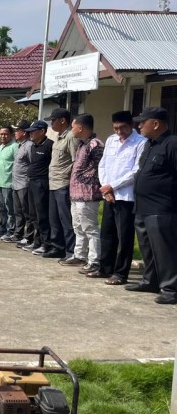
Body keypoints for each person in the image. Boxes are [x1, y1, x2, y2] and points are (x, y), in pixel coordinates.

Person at [126, 107, 177, 304]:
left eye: (142, 122)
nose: (139, 126)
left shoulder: (171, 144)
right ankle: (151, 280)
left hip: (162, 208)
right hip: (142, 206)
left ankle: (171, 288)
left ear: (155, 124)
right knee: (148, 248)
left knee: (165, 250)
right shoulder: (149, 144)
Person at [91, 111, 147, 285]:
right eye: (115, 128)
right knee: (107, 233)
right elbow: (103, 164)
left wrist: (113, 186)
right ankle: (105, 268)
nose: (119, 132)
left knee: (124, 236)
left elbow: (136, 171)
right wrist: (106, 187)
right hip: (109, 195)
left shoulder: (140, 143)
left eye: (122, 128)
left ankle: (121, 273)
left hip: (126, 196)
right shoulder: (110, 140)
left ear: (131, 125)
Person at [63, 114, 104, 273]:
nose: (72, 129)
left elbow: (102, 168)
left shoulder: (95, 144)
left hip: (88, 194)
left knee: (90, 228)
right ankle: (79, 254)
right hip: (76, 193)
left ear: (80, 127)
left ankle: (94, 260)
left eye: (73, 126)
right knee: (78, 226)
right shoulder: (82, 144)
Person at [46, 107, 79, 261]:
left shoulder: (71, 137)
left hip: (63, 184)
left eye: (53, 120)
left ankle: (71, 251)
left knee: (66, 220)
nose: (51, 123)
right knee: (54, 219)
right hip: (53, 183)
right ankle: (57, 247)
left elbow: (76, 162)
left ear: (62, 120)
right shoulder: (59, 137)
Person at [22, 121, 54, 254]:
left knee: (42, 215)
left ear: (42, 131)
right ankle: (37, 242)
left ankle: (46, 243)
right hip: (31, 182)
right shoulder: (33, 146)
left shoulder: (50, 145)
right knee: (33, 214)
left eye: (33, 131)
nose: (30, 134)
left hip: (42, 183)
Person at [10, 120, 34, 247]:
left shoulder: (29, 145)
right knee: (18, 211)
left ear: (24, 132)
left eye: (17, 130)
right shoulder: (19, 145)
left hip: (24, 184)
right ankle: (18, 234)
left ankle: (28, 237)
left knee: (27, 212)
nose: (15, 133)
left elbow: (32, 164)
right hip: (16, 184)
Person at [0, 125, 17, 239]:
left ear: (11, 135)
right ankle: (2, 228)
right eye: (1, 134)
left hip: (9, 183)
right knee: (2, 207)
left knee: (9, 208)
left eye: (5, 134)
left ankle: (11, 230)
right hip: (0, 182)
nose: (3, 136)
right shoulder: (1, 146)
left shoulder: (15, 147)